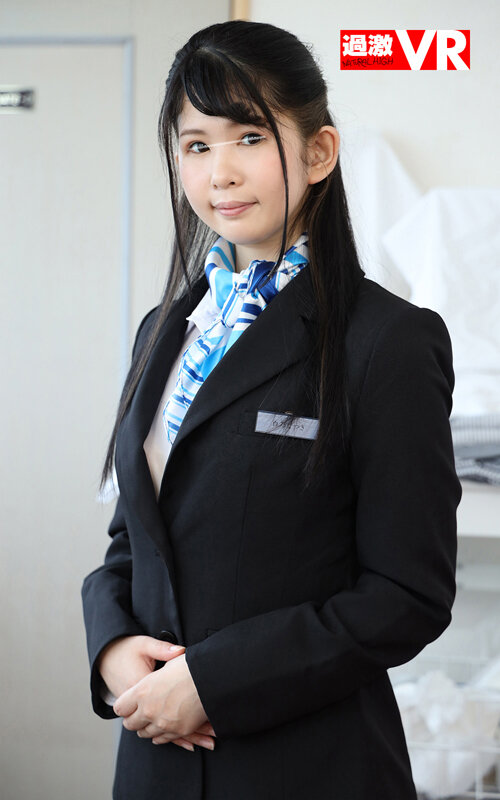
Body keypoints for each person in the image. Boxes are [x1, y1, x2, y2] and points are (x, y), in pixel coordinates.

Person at [81, 19, 462, 800]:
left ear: (318, 153)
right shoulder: (165, 331)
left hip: (308, 766)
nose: (220, 172)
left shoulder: (387, 342)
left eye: (249, 137)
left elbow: (407, 595)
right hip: (154, 762)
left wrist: (216, 682)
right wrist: (111, 645)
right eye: (196, 145)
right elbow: (133, 539)